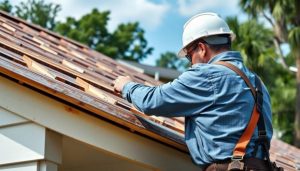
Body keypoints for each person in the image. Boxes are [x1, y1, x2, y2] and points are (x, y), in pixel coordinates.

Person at [114, 12, 273, 171]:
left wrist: (127, 86)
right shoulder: (258, 83)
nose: (190, 64)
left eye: (190, 57)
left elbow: (152, 101)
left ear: (202, 48)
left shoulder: (207, 75)